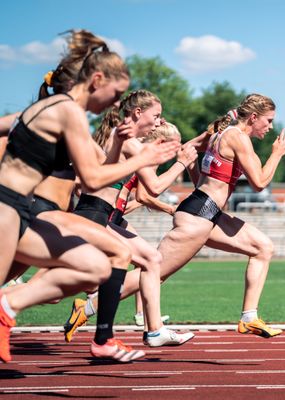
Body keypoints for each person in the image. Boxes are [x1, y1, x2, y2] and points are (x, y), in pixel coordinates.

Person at [0, 31, 178, 363]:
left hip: (23, 211)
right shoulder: (67, 110)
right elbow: (92, 178)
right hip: (9, 208)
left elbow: (92, 169)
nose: (116, 104)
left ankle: (10, 304)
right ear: (97, 79)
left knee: (96, 265)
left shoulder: (58, 110)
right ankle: (9, 304)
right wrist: (144, 159)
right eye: (117, 94)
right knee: (104, 259)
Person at [64, 92, 196, 347]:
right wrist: (181, 164)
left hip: (101, 214)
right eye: (156, 116)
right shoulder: (130, 142)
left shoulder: (124, 137)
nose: (159, 121)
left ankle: (151, 329)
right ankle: (129, 329)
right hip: (94, 214)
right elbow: (154, 188)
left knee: (151, 259)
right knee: (55, 290)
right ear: (137, 113)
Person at [156, 94, 285, 338]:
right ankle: (89, 306)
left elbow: (202, 181)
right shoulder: (237, 137)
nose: (270, 127)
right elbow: (259, 182)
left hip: (206, 212)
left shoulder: (221, 135)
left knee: (263, 247)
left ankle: (249, 318)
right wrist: (277, 154)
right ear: (253, 117)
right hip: (198, 215)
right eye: (268, 121)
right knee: (153, 274)